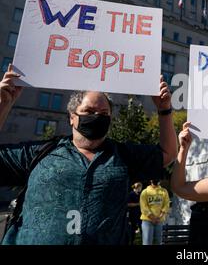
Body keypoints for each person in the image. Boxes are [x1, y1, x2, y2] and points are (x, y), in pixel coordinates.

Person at [0, 65, 177, 244]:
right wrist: (3, 104)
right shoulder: (40, 153)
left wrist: (164, 110)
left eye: (103, 113)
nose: (96, 117)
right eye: (89, 112)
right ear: (72, 117)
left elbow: (167, 153)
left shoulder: (123, 155)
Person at [140, 179, 170, 245]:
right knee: (147, 242)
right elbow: (143, 207)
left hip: (159, 221)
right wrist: (153, 218)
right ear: (150, 180)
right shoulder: (145, 192)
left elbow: (166, 205)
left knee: (158, 242)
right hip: (147, 221)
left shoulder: (164, 191)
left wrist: (159, 217)